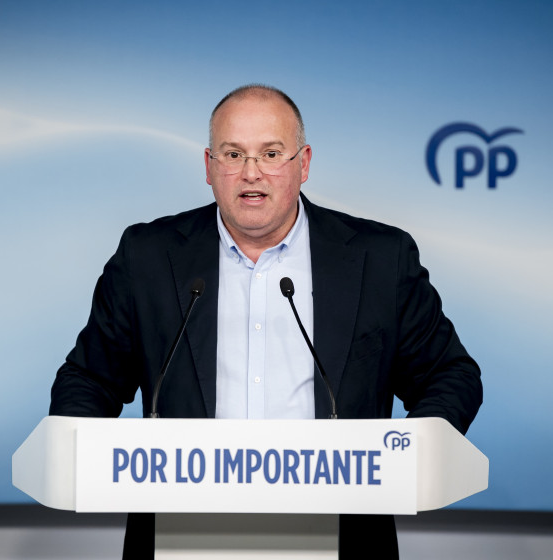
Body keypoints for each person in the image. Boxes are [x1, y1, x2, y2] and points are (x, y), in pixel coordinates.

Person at [50, 85, 482, 559]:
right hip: (182, 534)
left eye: (271, 153)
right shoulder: (148, 255)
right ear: (210, 167)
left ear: (304, 163)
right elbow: (90, 378)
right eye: (233, 154)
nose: (251, 173)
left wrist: (408, 455)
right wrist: (78, 449)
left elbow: (449, 374)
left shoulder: (379, 258)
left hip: (343, 534)